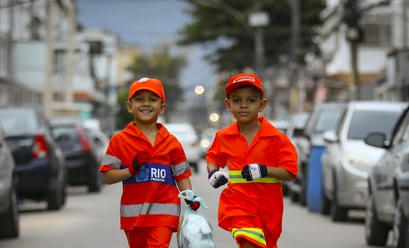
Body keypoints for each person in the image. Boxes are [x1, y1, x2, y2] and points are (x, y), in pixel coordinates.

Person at [99, 77, 202, 248]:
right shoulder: (119, 141)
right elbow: (107, 177)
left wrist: (190, 197)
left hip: (164, 216)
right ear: (129, 106)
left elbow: (182, 175)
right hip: (134, 219)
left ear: (162, 107)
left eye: (152, 99)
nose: (146, 104)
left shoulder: (172, 142)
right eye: (139, 99)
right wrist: (130, 170)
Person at [205, 73, 298, 248]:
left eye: (251, 100)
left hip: (269, 211)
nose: (244, 105)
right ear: (228, 105)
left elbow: (290, 172)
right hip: (237, 205)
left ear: (262, 105)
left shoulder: (278, 139)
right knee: (248, 240)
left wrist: (264, 170)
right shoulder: (223, 137)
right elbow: (213, 158)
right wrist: (213, 172)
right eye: (237, 100)